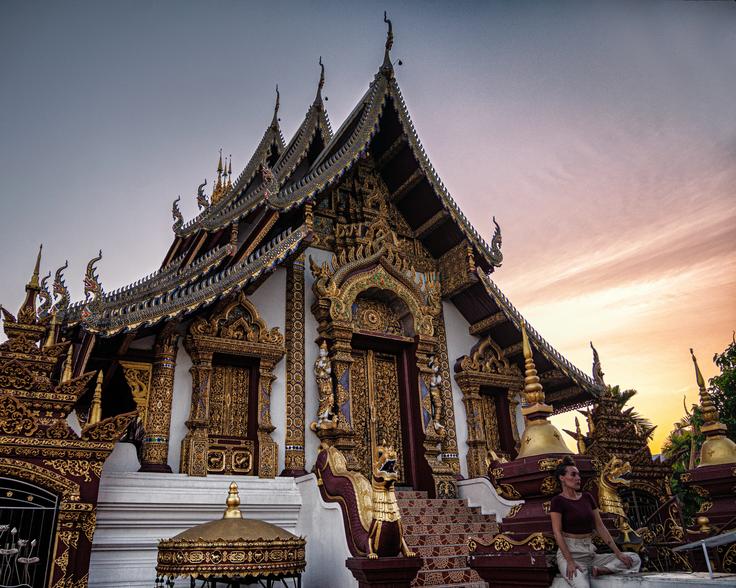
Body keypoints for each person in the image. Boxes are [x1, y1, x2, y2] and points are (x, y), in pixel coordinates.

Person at [550, 455, 640, 587]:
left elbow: (600, 527)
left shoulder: (587, 497)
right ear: (562, 478)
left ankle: (603, 570)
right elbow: (557, 533)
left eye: (578, 475)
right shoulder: (558, 501)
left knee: (633, 558)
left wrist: (618, 553)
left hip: (590, 553)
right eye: (573, 475)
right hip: (571, 554)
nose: (578, 478)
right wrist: (569, 562)